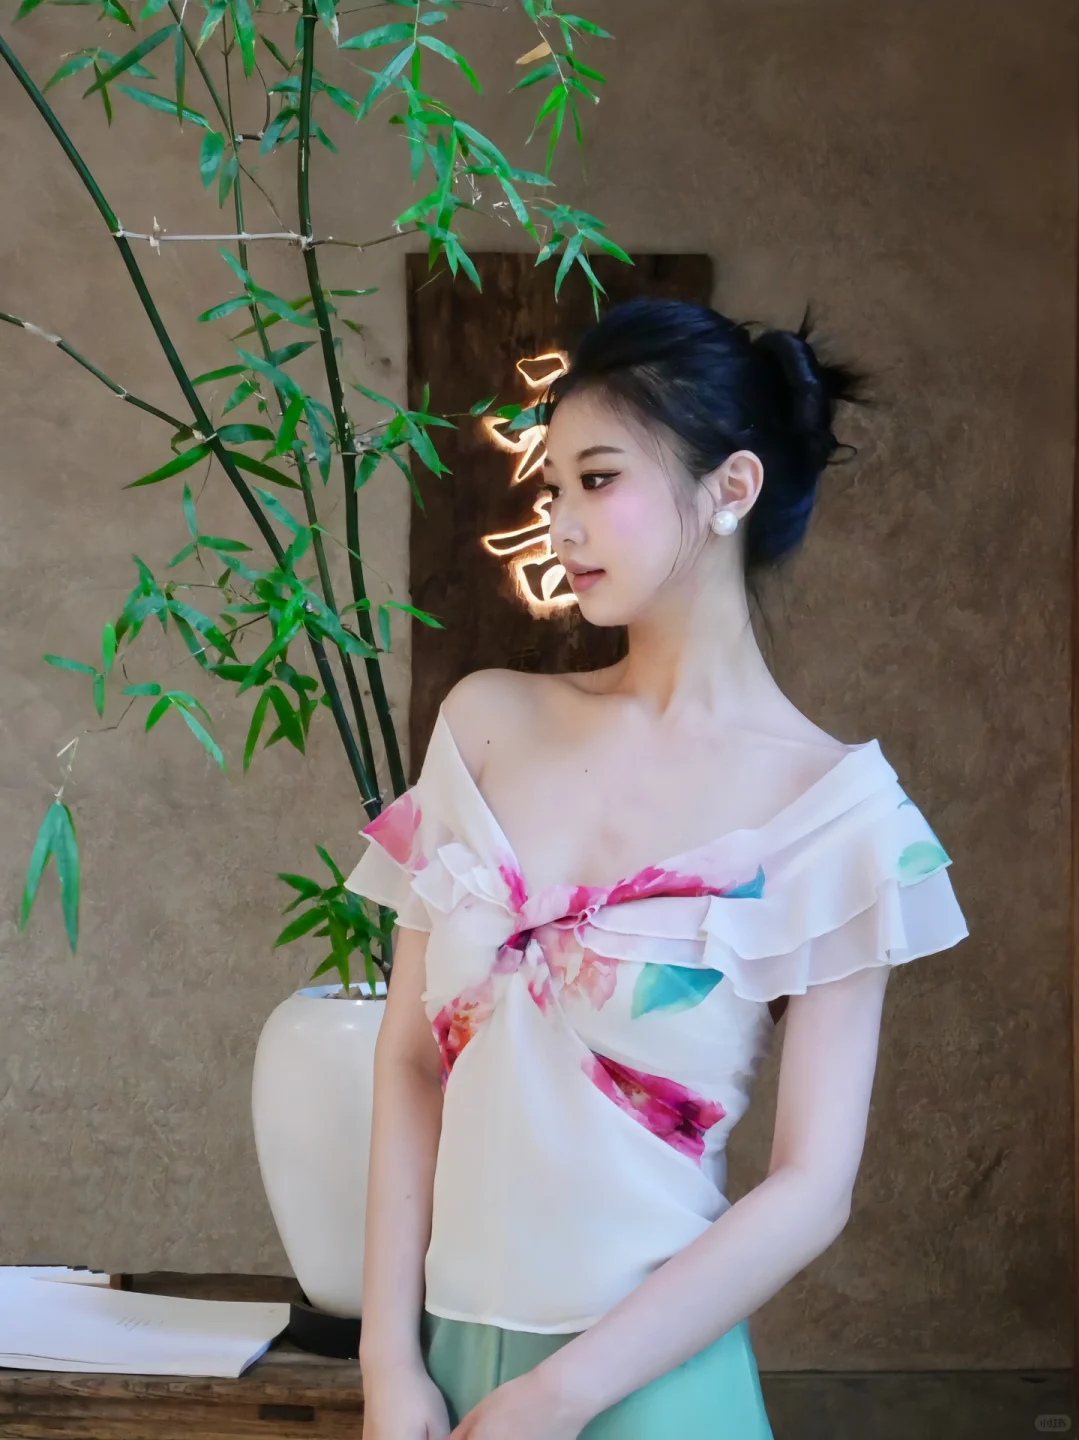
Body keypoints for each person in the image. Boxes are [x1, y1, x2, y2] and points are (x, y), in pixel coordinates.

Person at [348, 297, 969, 1439]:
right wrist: (387, 1362)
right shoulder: (483, 725)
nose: (561, 525)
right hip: (440, 1374)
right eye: (552, 490)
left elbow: (812, 1186)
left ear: (731, 488)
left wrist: (559, 1396)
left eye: (598, 480)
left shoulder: (838, 818)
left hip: (653, 1393)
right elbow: (408, 1062)